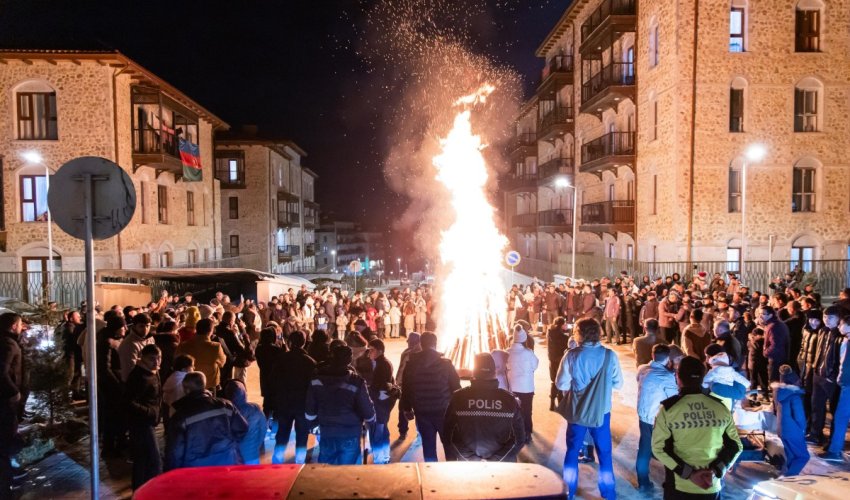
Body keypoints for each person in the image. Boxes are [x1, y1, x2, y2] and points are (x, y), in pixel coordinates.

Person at [651, 356, 743, 499]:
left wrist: (689, 474)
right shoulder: (719, 407)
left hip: (679, 487)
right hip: (710, 485)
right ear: (702, 378)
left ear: (678, 377)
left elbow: (659, 448)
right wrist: (715, 471)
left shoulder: (669, 410)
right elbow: (735, 446)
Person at [555, 318, 623, 500]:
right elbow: (619, 383)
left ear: (579, 333)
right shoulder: (609, 355)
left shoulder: (571, 355)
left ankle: (569, 492)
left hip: (577, 412)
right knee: (605, 454)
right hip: (602, 412)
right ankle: (608, 493)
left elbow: (561, 383)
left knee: (572, 452)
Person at [442, 353, 526, 462]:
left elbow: (448, 435)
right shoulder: (509, 400)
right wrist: (496, 460)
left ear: (473, 372)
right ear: (494, 372)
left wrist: (471, 459)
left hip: (468, 465)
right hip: (501, 466)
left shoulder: (458, 397)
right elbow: (519, 439)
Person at [305, 345, 376, 465]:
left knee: (325, 471)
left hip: (327, 432)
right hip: (350, 433)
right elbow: (368, 413)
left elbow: (310, 413)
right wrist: (371, 421)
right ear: (349, 360)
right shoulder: (356, 382)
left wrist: (314, 423)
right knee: (347, 472)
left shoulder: (316, 380)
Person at [165, 372, 248, 469]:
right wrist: (229, 445)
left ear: (186, 390)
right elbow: (242, 428)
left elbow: (175, 451)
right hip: (227, 462)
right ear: (204, 385)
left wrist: (173, 471)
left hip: (197, 468)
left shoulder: (180, 416)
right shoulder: (226, 405)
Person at [401, 331, 461, 462]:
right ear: (435, 344)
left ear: (421, 344)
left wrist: (407, 408)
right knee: (449, 444)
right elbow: (456, 387)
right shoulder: (446, 364)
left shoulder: (411, 364)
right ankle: (452, 470)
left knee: (428, 447)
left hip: (422, 412)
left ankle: (430, 471)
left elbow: (406, 388)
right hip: (444, 411)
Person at [635, 344, 678, 493]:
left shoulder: (642, 369)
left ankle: (643, 483)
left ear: (652, 355)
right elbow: (674, 399)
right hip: (656, 418)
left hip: (643, 414)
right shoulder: (666, 376)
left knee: (644, 448)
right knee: (668, 449)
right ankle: (671, 482)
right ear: (667, 358)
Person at [273, 331, 316, 464]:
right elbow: (313, 386)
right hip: (302, 404)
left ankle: (277, 458)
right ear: (304, 343)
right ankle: (299, 461)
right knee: (302, 434)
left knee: (282, 432)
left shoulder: (281, 359)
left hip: (284, 402)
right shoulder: (309, 362)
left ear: (290, 342)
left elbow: (273, 381)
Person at [125, 344, 163, 490]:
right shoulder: (139, 376)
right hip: (141, 423)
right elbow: (128, 401)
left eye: (159, 358)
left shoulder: (153, 372)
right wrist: (149, 412)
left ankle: (141, 490)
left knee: (144, 459)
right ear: (143, 358)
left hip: (148, 421)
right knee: (153, 461)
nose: (156, 362)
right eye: (152, 359)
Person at [355, 339, 396, 464]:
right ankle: (384, 456)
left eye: (372, 350)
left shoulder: (382, 365)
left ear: (380, 351)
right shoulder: (380, 363)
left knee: (377, 433)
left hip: (379, 405)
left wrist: (370, 391)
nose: (369, 353)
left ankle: (379, 460)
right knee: (382, 431)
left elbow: (380, 386)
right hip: (382, 404)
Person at [819, 315, 850, 461]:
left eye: (841, 324)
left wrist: (841, 380)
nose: (838, 326)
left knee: (840, 417)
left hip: (847, 385)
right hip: (846, 384)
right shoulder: (846, 340)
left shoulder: (847, 341)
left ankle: (835, 451)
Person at [809, 307, 842, 445]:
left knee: (835, 409)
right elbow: (818, 352)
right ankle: (815, 434)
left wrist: (834, 374)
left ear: (838, 319)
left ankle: (833, 440)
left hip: (832, 377)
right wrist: (815, 368)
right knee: (817, 406)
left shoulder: (841, 334)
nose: (826, 320)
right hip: (818, 374)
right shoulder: (822, 331)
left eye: (830, 318)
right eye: (825, 317)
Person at [0, 313, 23, 499]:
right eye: (20, 324)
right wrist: (14, 391)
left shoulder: (6, 340)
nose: (22, 327)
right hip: (6, 400)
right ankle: (6, 482)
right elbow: (2, 372)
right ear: (14, 325)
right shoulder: (8, 344)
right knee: (6, 438)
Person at [772, 365, 810, 474]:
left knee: (792, 455)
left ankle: (790, 474)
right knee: (803, 456)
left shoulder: (778, 392)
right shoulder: (794, 396)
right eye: (798, 380)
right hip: (793, 431)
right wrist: (802, 429)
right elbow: (799, 417)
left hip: (782, 430)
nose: (800, 382)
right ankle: (790, 477)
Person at [176, 319, 227, 393]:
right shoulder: (215, 347)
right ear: (211, 331)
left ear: (196, 329)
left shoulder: (183, 345)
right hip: (209, 384)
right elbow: (222, 363)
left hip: (187, 384)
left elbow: (176, 361)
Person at [506, 326, 538, 441]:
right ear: (525, 339)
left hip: (512, 387)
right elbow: (535, 366)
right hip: (526, 387)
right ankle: (527, 433)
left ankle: (514, 433)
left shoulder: (507, 352)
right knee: (527, 411)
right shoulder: (529, 353)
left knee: (513, 411)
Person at [222, 380, 266, 465]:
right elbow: (263, 429)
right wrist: (257, 448)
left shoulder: (225, 411)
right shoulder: (255, 408)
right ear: (244, 393)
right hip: (251, 456)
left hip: (231, 458)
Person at [254, 327, 285, 419]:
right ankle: (274, 424)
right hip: (275, 379)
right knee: (275, 404)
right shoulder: (276, 349)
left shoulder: (259, 349)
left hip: (264, 377)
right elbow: (283, 356)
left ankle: (264, 423)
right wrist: (282, 343)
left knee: (267, 403)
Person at [395, 332, 421, 439]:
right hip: (405, 385)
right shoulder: (406, 352)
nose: (408, 343)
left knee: (415, 409)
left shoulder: (419, 353)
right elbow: (401, 369)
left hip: (414, 386)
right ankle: (403, 430)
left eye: (410, 341)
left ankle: (417, 431)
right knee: (403, 408)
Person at [118, 313, 154, 382]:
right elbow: (129, 369)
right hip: (135, 381)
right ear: (134, 326)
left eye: (147, 326)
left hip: (148, 378)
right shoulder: (129, 344)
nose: (145, 329)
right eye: (141, 326)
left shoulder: (150, 338)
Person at [762, 306, 791, 382]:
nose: (761, 316)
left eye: (763, 314)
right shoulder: (775, 324)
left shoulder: (773, 327)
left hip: (775, 358)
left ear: (770, 315)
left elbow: (775, 345)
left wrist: (765, 352)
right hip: (780, 357)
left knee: (774, 381)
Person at [547, 317, 571, 411]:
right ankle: (560, 402)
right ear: (562, 325)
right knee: (561, 380)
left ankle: (552, 403)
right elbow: (567, 347)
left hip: (552, 360)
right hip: (560, 360)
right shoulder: (563, 337)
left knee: (554, 381)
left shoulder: (550, 333)